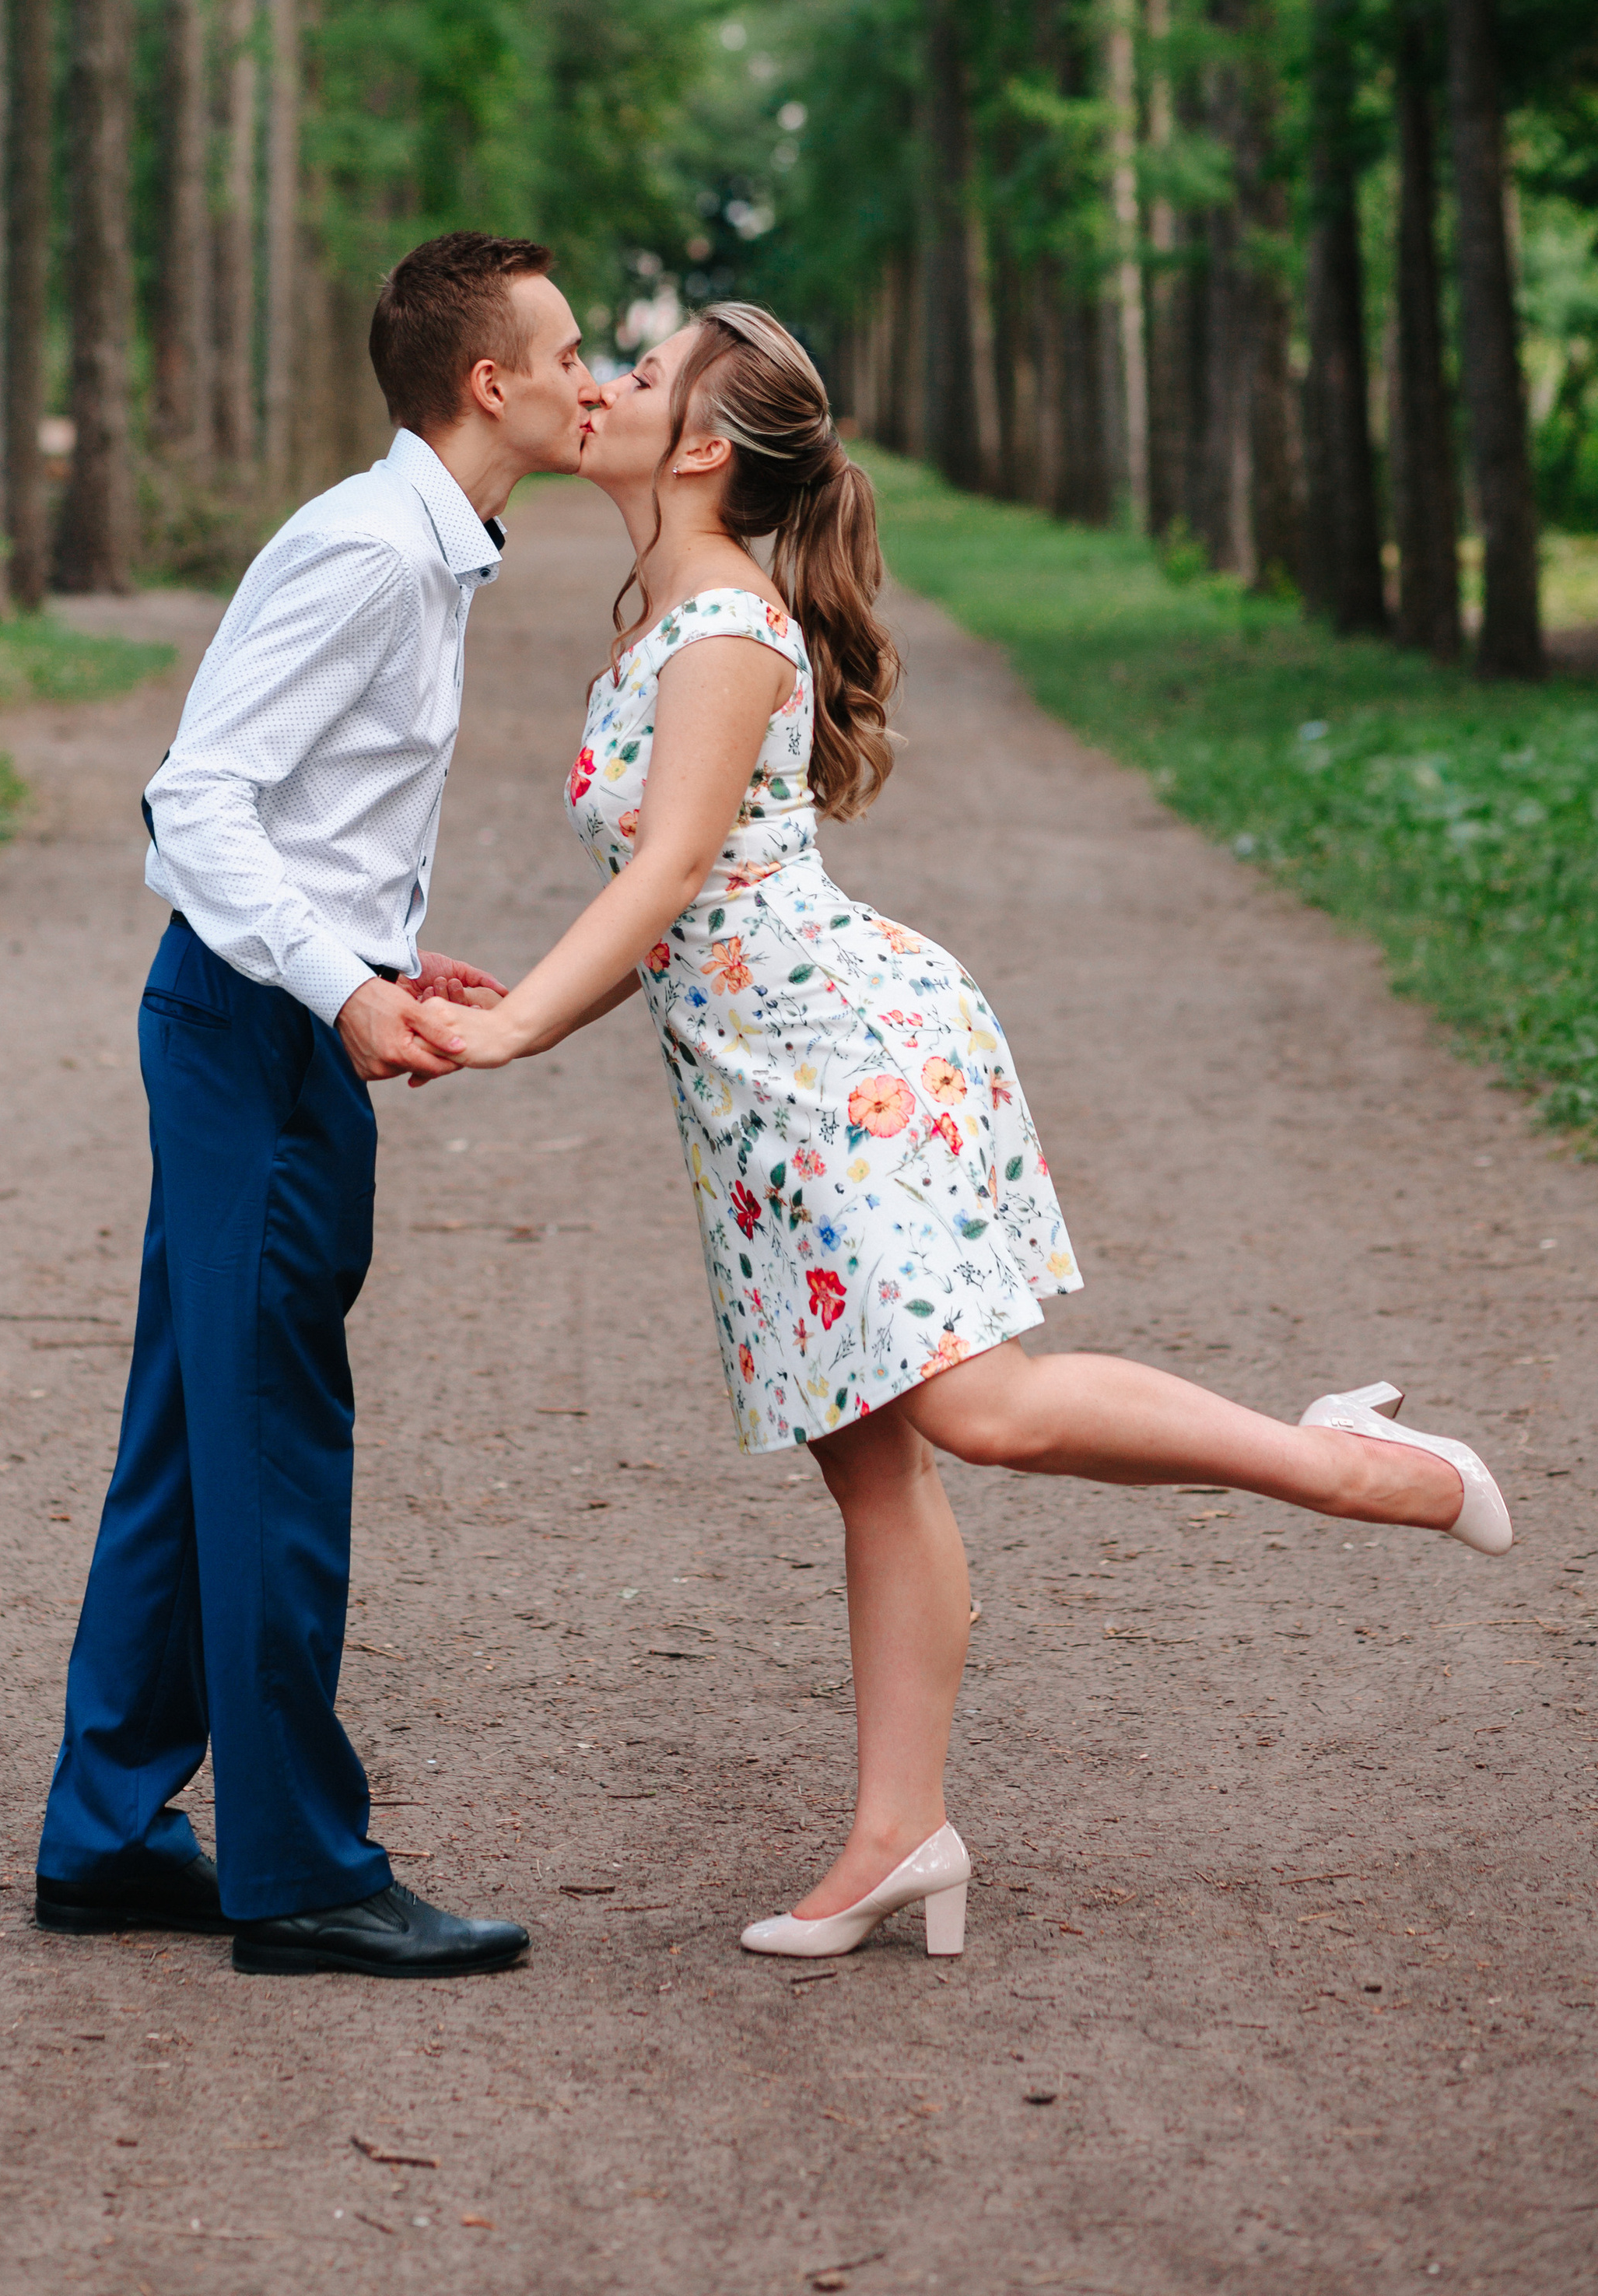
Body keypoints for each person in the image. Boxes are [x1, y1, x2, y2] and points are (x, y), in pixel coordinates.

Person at [403, 300, 1512, 1964]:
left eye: (635, 374)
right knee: (869, 1465)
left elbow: (658, 882)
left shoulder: (719, 630)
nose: (598, 388)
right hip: (760, 1094)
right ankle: (897, 1834)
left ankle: (1358, 1467)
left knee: (975, 1410)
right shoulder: (669, 614)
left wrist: (509, 1028)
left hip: (845, 1066)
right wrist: (523, 1003)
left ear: (700, 445)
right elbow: (692, 911)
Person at [35, 231, 599, 1979]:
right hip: (250, 1042)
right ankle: (296, 1873)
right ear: (485, 383)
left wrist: (389, 958)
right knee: (273, 1444)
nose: (595, 377)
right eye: (570, 351)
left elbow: (311, 817)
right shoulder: (369, 552)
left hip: (271, 1016)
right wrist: (340, 985)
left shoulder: (428, 552)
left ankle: (111, 1835)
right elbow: (193, 804)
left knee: (194, 1438)